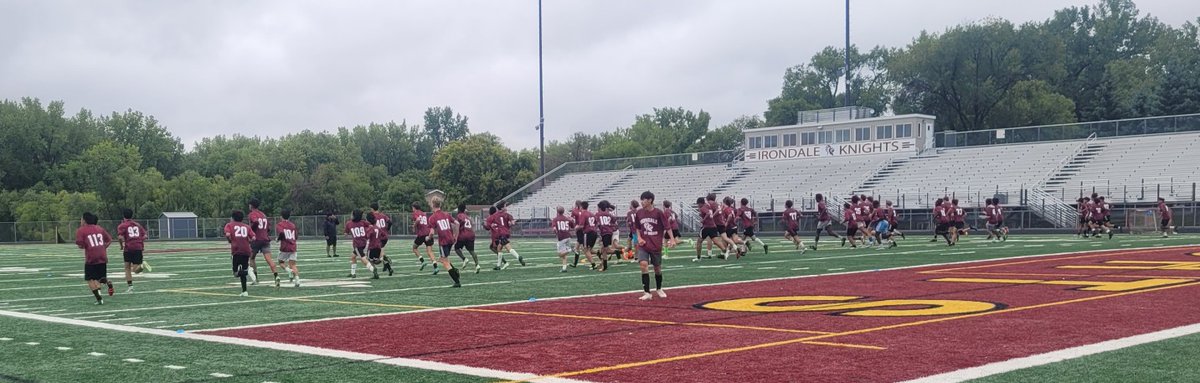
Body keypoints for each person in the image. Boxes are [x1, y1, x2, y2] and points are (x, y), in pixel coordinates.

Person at [634, 191, 676, 301]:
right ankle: (647, 292)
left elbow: (667, 227)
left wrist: (672, 239)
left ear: (650, 200)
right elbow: (637, 227)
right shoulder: (639, 213)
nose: (642, 202)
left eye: (643, 200)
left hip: (656, 244)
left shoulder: (658, 213)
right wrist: (639, 237)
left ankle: (659, 288)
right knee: (643, 265)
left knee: (657, 268)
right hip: (644, 244)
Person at [76, 212, 113, 304]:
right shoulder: (99, 228)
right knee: (100, 278)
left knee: (89, 279)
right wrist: (102, 248)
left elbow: (80, 244)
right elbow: (109, 240)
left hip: (91, 257)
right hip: (102, 256)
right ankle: (106, 284)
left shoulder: (81, 230)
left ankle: (99, 299)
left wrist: (86, 246)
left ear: (84, 220)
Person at [428, 197, 464, 288]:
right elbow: (457, 223)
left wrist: (429, 238)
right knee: (443, 258)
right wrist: (456, 235)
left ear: (432, 205)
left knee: (444, 261)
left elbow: (432, 232)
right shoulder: (446, 214)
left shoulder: (432, 217)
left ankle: (456, 280)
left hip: (443, 241)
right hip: (450, 239)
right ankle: (455, 270)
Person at [246, 198, 280, 287]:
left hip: (256, 239)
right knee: (269, 259)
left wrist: (251, 230)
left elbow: (256, 222)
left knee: (252, 258)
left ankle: (255, 278)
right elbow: (268, 228)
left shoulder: (252, 214)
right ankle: (276, 276)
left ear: (251, 205)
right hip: (265, 239)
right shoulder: (263, 215)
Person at [116, 208, 150, 293]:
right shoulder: (137, 225)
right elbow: (145, 236)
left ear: (123, 216)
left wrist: (121, 245)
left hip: (128, 248)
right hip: (138, 247)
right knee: (135, 269)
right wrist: (139, 241)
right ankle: (141, 266)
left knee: (127, 268)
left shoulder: (122, 225)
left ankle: (130, 287)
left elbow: (120, 237)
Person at [222, 210, 255, 297]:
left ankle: (248, 271)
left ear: (232, 218)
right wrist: (248, 241)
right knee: (242, 271)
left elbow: (228, 234)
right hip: (246, 250)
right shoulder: (247, 226)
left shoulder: (229, 225)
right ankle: (245, 291)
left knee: (236, 273)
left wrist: (230, 240)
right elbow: (254, 237)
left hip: (236, 250)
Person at [343, 209, 375, 278]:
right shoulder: (363, 222)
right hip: (364, 242)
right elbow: (371, 226)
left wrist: (349, 234)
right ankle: (353, 273)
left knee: (363, 258)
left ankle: (373, 270)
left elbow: (345, 234)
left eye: (352, 214)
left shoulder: (349, 223)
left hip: (357, 244)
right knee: (353, 256)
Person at [276, 209, 300, 287]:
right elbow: (296, 236)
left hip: (285, 246)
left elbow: (282, 233)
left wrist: (278, 239)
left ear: (281, 216)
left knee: (280, 262)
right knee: (293, 264)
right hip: (293, 246)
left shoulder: (280, 224)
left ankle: (288, 271)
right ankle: (297, 280)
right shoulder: (293, 225)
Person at [454, 204, 481, 273]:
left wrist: (455, 236)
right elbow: (473, 224)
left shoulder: (459, 216)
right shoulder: (468, 217)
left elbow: (457, 225)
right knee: (472, 251)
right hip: (471, 234)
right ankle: (477, 265)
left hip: (463, 235)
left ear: (459, 210)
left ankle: (464, 259)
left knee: (456, 248)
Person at [369, 202, 395, 274]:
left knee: (373, 257)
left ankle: (384, 260)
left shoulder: (372, 216)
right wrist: (387, 229)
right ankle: (388, 267)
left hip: (378, 237)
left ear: (372, 209)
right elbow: (390, 222)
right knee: (381, 252)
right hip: (384, 236)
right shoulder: (383, 215)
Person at [412, 202, 436, 274]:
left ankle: (422, 261)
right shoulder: (424, 213)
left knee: (414, 248)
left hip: (421, 234)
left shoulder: (416, 213)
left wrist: (414, 226)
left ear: (414, 208)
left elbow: (418, 220)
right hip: (428, 233)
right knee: (430, 251)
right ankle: (436, 267)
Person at [551, 206, 575, 272]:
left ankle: (570, 250)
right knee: (564, 254)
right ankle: (564, 268)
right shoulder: (567, 219)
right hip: (568, 236)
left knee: (560, 254)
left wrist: (556, 232)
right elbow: (573, 226)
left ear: (557, 212)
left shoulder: (555, 219)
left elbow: (554, 229)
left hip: (561, 237)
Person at [595, 200, 617, 272]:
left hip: (604, 233)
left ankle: (605, 266)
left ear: (600, 208)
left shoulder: (598, 214)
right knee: (603, 249)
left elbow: (596, 222)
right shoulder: (609, 214)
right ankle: (603, 264)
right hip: (609, 232)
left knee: (605, 250)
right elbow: (614, 220)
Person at [365, 212, 385, 279]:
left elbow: (367, 236)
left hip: (372, 246)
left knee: (369, 260)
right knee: (376, 260)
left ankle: (374, 271)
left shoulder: (371, 228)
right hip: (378, 246)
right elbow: (383, 235)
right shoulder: (378, 227)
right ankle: (382, 259)